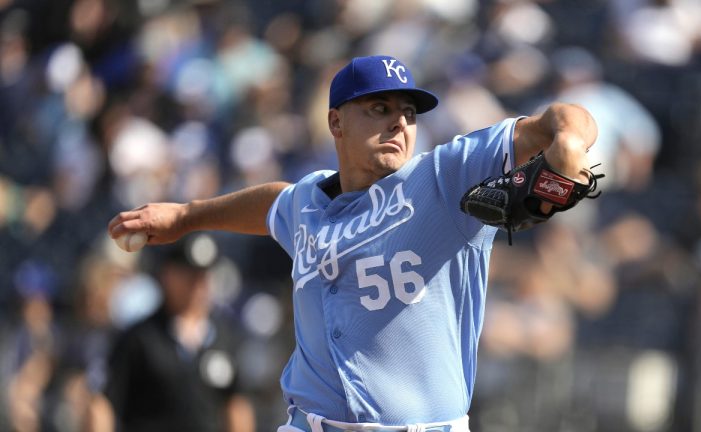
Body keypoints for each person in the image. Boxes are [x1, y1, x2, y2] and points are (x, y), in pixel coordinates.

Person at [108, 55, 597, 432]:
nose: (399, 124)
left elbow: (564, 116)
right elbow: (272, 203)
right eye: (379, 108)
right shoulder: (308, 202)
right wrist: (188, 216)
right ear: (336, 123)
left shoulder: (444, 178)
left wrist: (569, 146)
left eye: (408, 112)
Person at [87, 234, 255, 432]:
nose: (197, 285)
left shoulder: (224, 337)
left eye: (203, 276)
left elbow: (236, 404)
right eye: (189, 275)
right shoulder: (140, 337)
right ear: (167, 274)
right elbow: (104, 404)